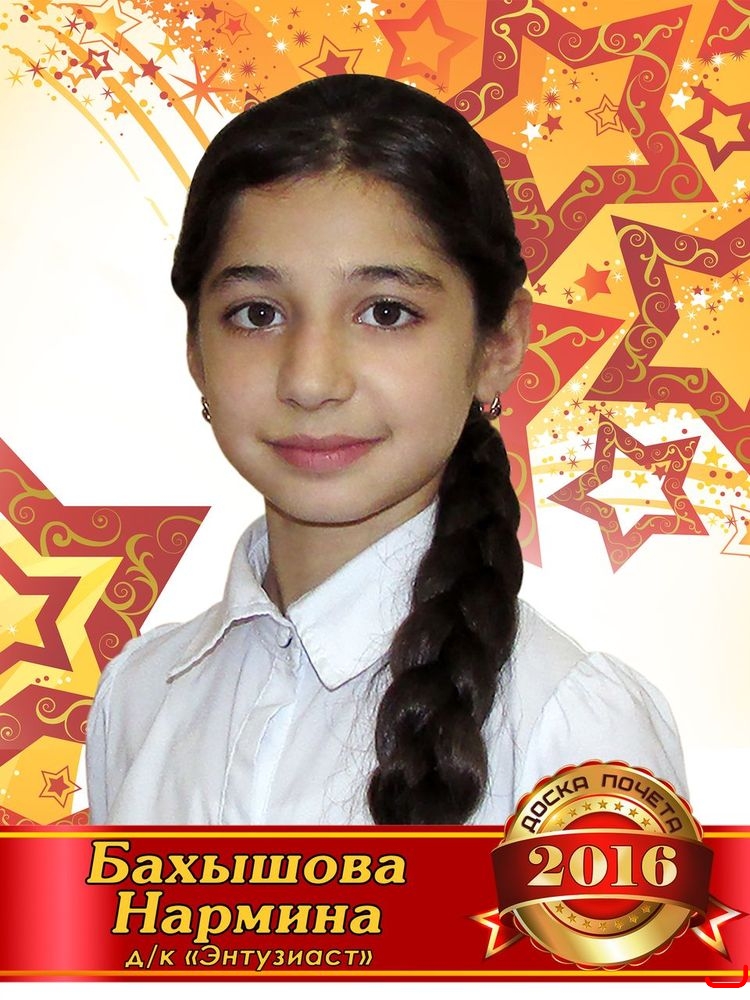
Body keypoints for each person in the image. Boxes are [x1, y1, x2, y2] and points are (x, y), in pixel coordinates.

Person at [85, 74, 686, 825]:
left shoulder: (573, 728)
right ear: (195, 349)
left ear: (499, 344)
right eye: (257, 313)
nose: (310, 381)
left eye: (386, 312)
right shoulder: (140, 696)